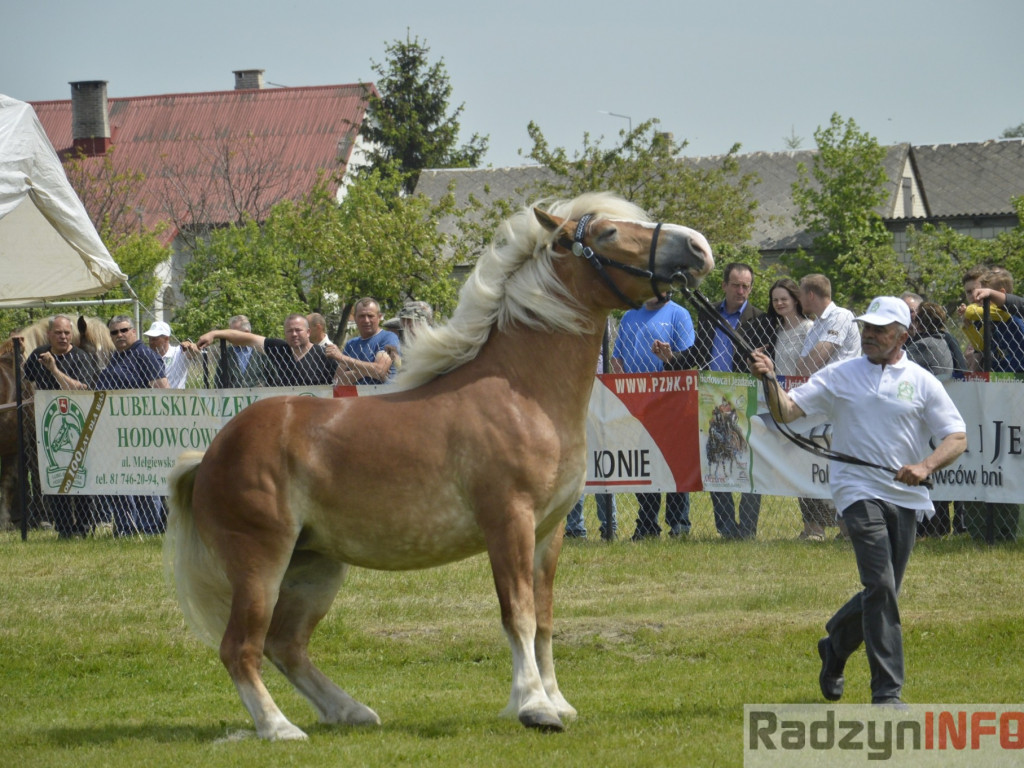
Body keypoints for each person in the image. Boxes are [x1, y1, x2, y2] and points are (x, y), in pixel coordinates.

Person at [749, 296, 967, 708]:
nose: (869, 334)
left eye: (880, 329)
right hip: (856, 490)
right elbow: (788, 412)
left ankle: (835, 645)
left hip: (905, 495)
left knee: (885, 591)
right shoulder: (841, 374)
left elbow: (956, 437)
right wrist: (770, 378)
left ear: (902, 335)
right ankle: (887, 692)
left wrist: (925, 465)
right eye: (866, 327)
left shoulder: (922, 381)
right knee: (880, 585)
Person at [656, 263, 773, 540]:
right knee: (716, 462)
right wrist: (672, 359)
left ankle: (746, 530)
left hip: (747, 400)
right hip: (712, 399)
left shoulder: (760, 319)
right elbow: (699, 352)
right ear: (723, 285)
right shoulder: (709, 316)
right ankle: (726, 528)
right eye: (736, 285)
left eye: (746, 286)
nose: (741, 291)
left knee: (747, 463)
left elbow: (770, 360)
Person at [612, 292, 694, 540]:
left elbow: (688, 361)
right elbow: (617, 359)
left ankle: (679, 523)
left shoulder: (679, 314)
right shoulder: (629, 316)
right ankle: (647, 524)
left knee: (673, 463)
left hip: (670, 403)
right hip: (638, 404)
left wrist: (669, 358)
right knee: (643, 463)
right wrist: (623, 396)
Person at [20, 315, 98, 538]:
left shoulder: (81, 358)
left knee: (79, 477)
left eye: (66, 333)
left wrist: (54, 369)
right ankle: (63, 528)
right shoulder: (38, 355)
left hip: (79, 426)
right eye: (58, 333)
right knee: (55, 477)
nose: (63, 337)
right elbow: (29, 382)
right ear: (49, 335)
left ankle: (83, 528)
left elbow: (81, 389)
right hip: (51, 428)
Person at [766, 278, 828, 542]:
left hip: (807, 405)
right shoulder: (775, 332)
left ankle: (826, 526)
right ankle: (811, 525)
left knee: (816, 463)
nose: (779, 303)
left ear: (795, 299)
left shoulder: (809, 329)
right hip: (785, 404)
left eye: (784, 298)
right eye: (775, 299)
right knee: (798, 465)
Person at [96, 315, 169, 536]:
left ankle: (148, 528)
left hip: (142, 430)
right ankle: (126, 527)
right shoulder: (117, 357)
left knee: (144, 480)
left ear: (134, 331)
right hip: (116, 431)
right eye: (114, 332)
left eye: (123, 330)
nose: (119, 335)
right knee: (121, 480)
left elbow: (163, 391)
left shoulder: (144, 355)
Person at [198, 313, 339, 387]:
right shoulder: (279, 350)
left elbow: (346, 381)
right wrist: (214, 334)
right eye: (289, 331)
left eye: (298, 330)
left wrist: (342, 358)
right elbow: (246, 338)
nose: (294, 334)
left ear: (308, 332)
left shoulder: (324, 354)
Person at [960, 266, 1024, 373]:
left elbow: (971, 312)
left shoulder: (1004, 314)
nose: (978, 298)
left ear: (1000, 294)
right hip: (1001, 374)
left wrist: (968, 311)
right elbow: (980, 345)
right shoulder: (989, 318)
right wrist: (969, 326)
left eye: (984, 295)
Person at [336, 298, 400, 386]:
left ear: (379, 317)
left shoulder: (388, 337)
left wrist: (342, 358)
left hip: (381, 397)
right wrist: (368, 370)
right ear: (355, 318)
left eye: (370, 316)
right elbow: (338, 381)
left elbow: (379, 371)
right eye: (361, 316)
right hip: (355, 398)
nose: (366, 320)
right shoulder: (351, 344)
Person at [902, 292, 968, 375]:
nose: (907, 316)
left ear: (920, 314)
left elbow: (962, 370)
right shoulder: (900, 341)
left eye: (911, 311)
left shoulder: (941, 339)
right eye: (902, 312)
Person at [215, 315, 271, 388]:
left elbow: (274, 378)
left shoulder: (262, 350)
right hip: (234, 397)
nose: (230, 337)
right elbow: (218, 382)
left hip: (260, 397)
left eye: (234, 334)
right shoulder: (227, 353)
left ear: (247, 332)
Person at [142, 320, 196, 389]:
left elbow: (196, 351)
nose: (151, 342)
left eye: (155, 339)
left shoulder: (179, 352)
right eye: (150, 338)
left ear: (166, 338)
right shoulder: (146, 357)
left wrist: (191, 346)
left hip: (176, 398)